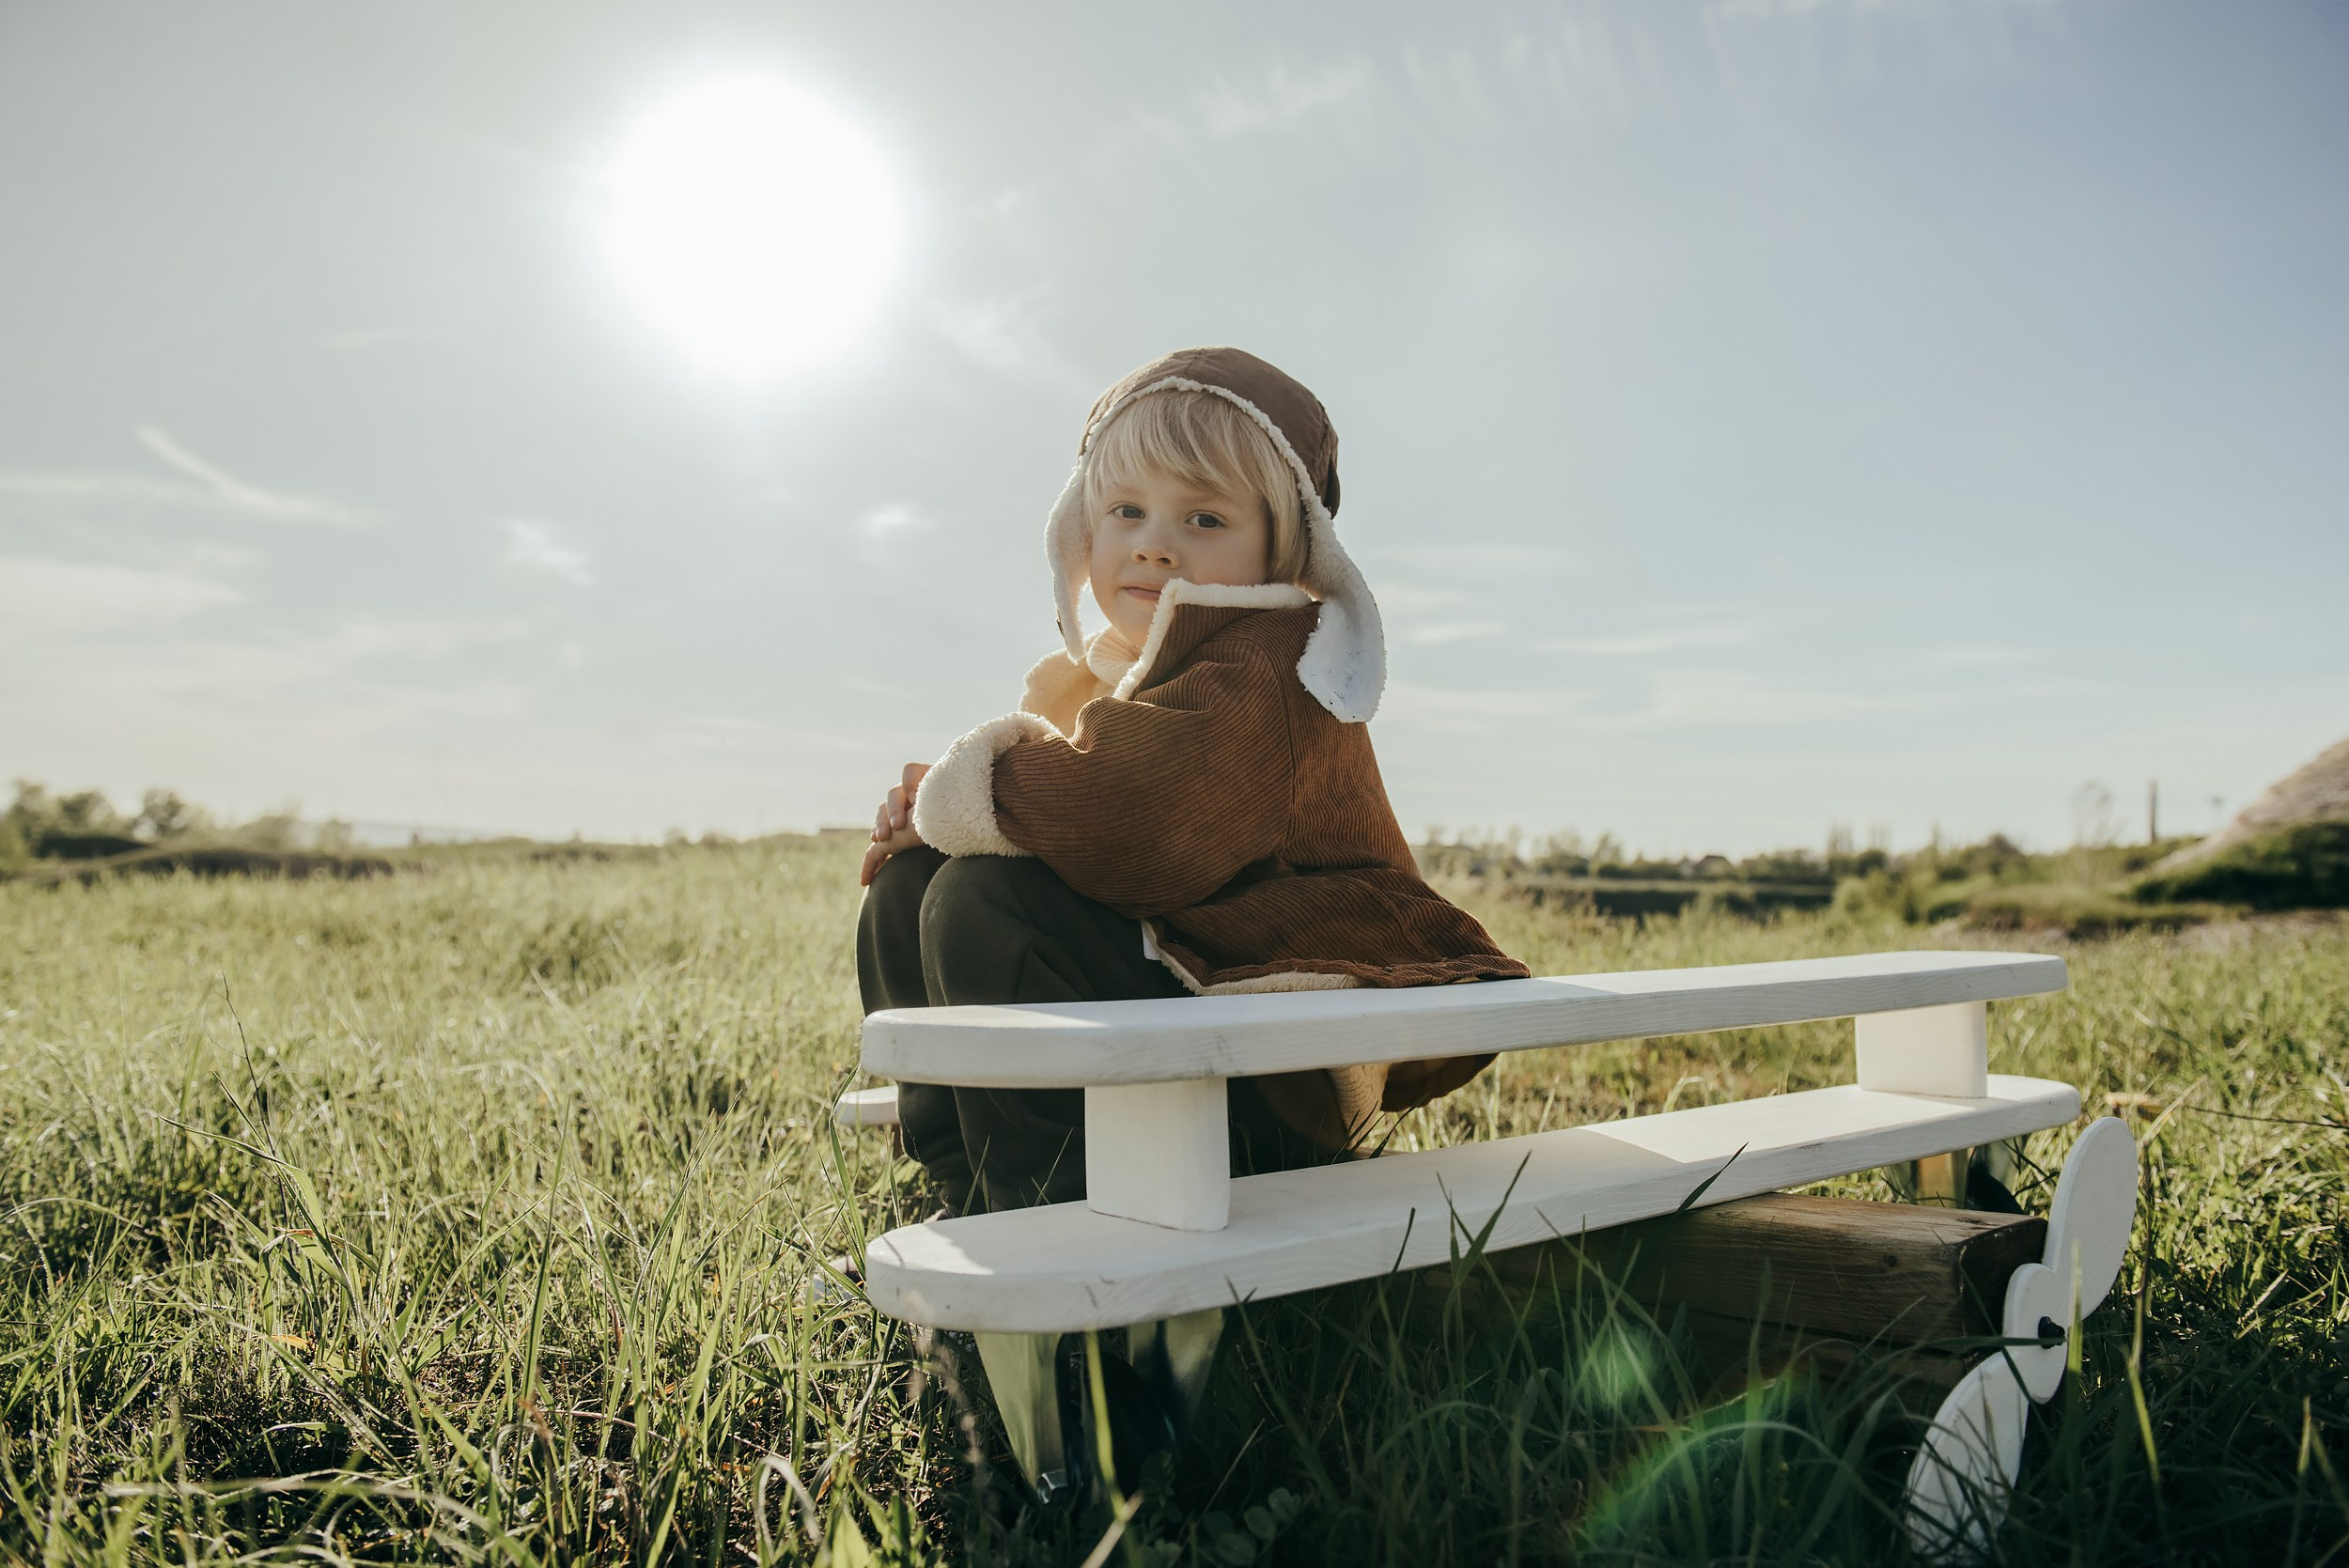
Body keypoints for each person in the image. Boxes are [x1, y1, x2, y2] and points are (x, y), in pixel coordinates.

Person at [855, 346, 1529, 1217]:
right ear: (1083, 529)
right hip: (1191, 1024)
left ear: (1285, 552)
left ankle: (1051, 1216)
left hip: (1274, 1076)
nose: (1156, 546)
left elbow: (1137, 823)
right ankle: (959, 1181)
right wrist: (945, 817)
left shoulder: (1266, 666)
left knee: (984, 901)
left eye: (1204, 520)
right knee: (911, 887)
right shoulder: (1144, 671)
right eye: (1127, 510)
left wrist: (973, 790)